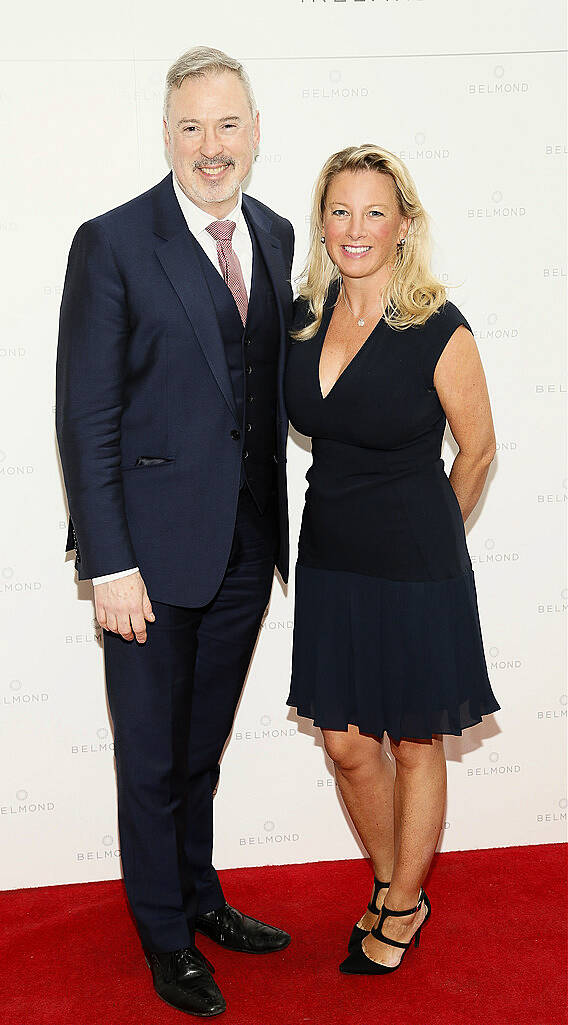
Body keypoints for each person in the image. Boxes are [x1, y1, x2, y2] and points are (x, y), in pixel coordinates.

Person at [56, 46, 294, 1017]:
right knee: (149, 756)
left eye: (227, 124)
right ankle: (165, 937)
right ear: (166, 135)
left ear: (253, 131)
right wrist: (107, 559)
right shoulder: (113, 240)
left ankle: (201, 896)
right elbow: (87, 415)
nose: (211, 145)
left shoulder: (277, 234)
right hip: (145, 562)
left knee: (199, 748)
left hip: (244, 548)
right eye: (191, 126)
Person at [285, 145, 500, 975]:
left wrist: (430, 534)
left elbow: (477, 451)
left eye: (376, 211)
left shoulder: (439, 326)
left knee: (414, 743)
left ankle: (403, 905)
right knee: (344, 742)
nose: (357, 228)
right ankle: (392, 878)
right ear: (323, 223)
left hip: (416, 562)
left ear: (405, 224)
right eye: (341, 211)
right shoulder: (305, 315)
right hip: (331, 556)